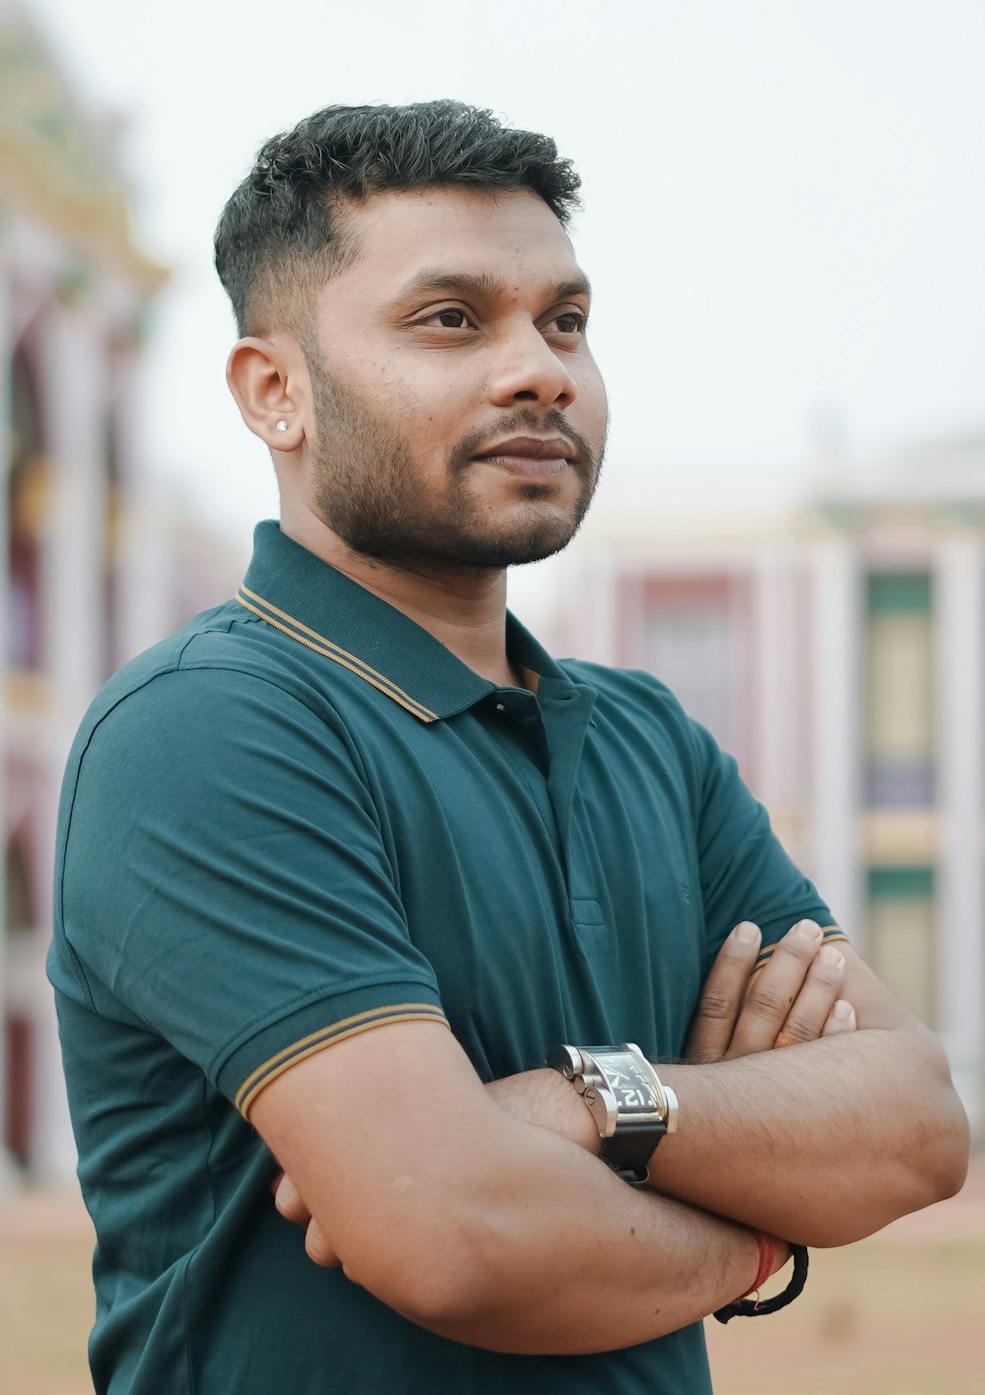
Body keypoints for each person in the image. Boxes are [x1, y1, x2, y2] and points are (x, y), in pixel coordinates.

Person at [48, 100, 968, 1395]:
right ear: (275, 391)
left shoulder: (651, 743)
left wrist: (587, 1104)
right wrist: (767, 1227)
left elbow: (919, 1127)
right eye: (452, 319)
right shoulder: (210, 728)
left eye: (566, 322)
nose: (538, 367)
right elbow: (460, 1235)